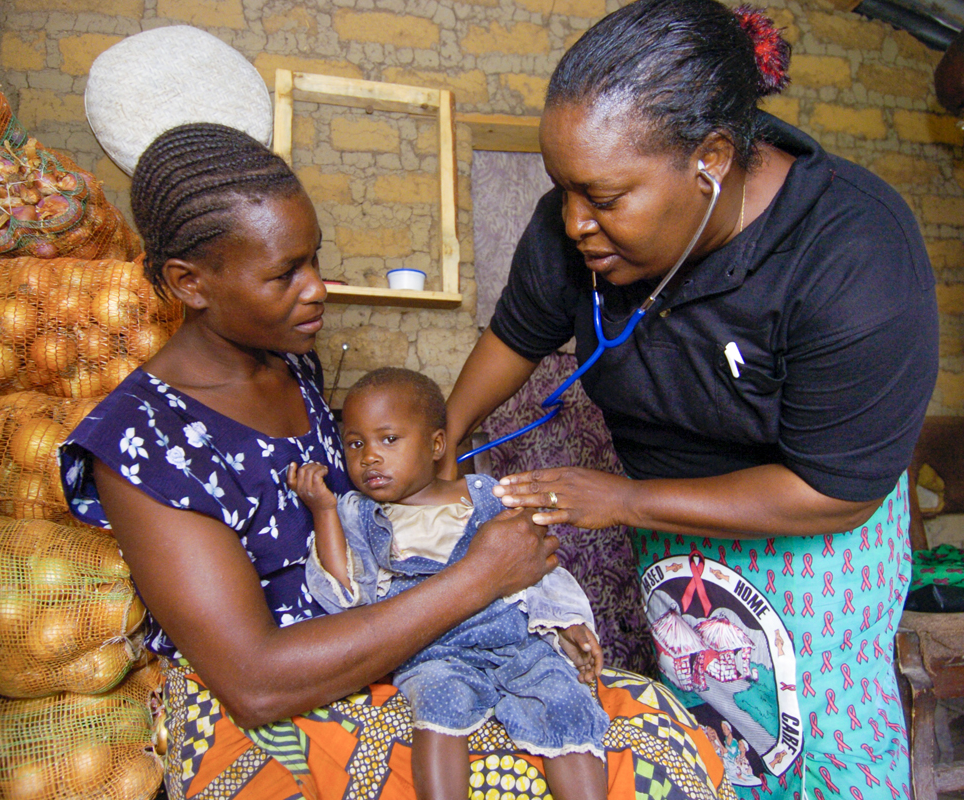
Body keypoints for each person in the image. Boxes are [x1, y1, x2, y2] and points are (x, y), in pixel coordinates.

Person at [59, 121, 737, 800]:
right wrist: (479, 578)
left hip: (394, 637)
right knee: (627, 770)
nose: (318, 288)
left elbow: (370, 510)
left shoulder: (288, 364)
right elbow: (256, 680)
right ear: (190, 283)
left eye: (314, 259)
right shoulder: (141, 439)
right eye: (284, 273)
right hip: (280, 704)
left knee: (645, 726)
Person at [441, 1, 939, 799]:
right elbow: (515, 334)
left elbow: (833, 493)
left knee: (817, 744)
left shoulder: (852, 252)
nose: (574, 222)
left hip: (808, 528)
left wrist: (629, 499)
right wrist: (448, 431)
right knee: (713, 732)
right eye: (563, 191)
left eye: (604, 197)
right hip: (667, 527)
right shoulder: (575, 230)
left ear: (710, 159)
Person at [291, 367, 610, 800]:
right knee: (439, 702)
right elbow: (344, 594)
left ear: (436, 445)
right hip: (432, 649)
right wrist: (324, 512)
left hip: (515, 642)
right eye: (355, 443)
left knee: (567, 702)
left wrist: (567, 625)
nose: (369, 456)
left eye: (389, 439)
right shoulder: (357, 513)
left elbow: (539, 570)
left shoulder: (487, 495)